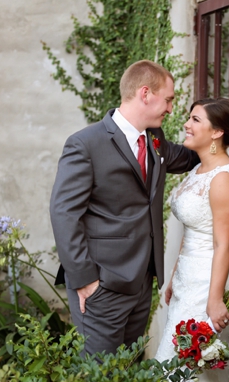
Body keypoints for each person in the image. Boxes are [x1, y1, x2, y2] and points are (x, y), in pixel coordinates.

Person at [50, 60, 198, 355]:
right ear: (145, 93)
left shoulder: (155, 140)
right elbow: (64, 213)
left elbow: (191, 158)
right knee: (98, 379)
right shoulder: (85, 144)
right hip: (101, 284)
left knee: (128, 373)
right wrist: (86, 281)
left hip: (142, 282)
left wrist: (225, 124)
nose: (170, 108)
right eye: (168, 99)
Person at [152, 94, 229, 382]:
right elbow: (192, 231)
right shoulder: (198, 171)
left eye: (196, 120)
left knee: (193, 376)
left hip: (212, 286)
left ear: (217, 132)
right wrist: (173, 279)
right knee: (175, 371)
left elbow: (223, 244)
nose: (186, 124)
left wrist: (215, 299)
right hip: (186, 283)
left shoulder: (223, 180)